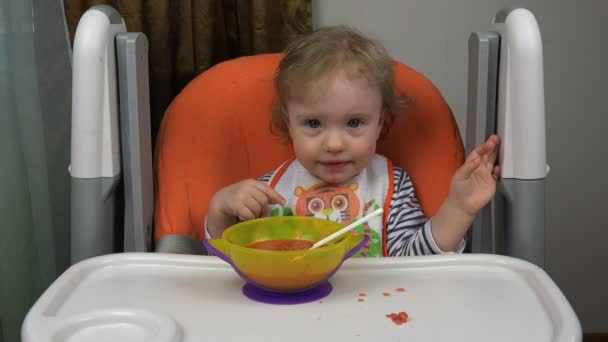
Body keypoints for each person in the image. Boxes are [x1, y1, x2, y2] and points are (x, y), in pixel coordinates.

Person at [206, 26, 500, 257]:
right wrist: (220, 210)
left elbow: (415, 260)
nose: (334, 144)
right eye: (313, 123)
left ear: (380, 123)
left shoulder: (391, 187)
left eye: (354, 123)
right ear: (288, 124)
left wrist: (459, 208)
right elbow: (230, 261)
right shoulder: (270, 190)